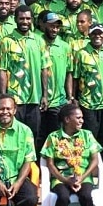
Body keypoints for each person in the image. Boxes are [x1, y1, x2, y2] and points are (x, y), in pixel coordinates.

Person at [40, 104, 102, 206]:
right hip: (61, 179)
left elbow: (95, 160)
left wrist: (82, 177)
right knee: (62, 197)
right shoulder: (53, 137)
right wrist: (65, 180)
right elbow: (50, 164)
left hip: (83, 177)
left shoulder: (87, 135)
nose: (82, 120)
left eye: (82, 118)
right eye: (78, 117)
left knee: (86, 196)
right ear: (67, 119)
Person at [0, 5, 51, 145]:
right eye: (21, 18)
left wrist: (45, 95)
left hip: (34, 98)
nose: (25, 21)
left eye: (28, 18)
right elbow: (2, 70)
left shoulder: (39, 40)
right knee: (14, 135)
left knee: (34, 135)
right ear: (15, 19)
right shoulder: (6, 42)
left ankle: (31, 166)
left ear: (32, 20)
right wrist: (3, 97)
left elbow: (44, 69)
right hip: (15, 99)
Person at [73, 23, 103, 176]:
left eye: (100, 33)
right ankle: (89, 168)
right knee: (90, 136)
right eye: (94, 34)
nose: (97, 36)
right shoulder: (81, 54)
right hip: (88, 103)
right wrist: (73, 98)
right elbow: (75, 77)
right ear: (89, 35)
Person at [39, 12, 74, 151]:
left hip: (58, 100)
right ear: (43, 25)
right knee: (39, 135)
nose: (54, 29)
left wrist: (69, 96)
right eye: (51, 26)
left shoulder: (65, 46)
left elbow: (69, 73)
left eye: (57, 27)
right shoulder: (37, 42)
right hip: (38, 99)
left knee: (57, 137)